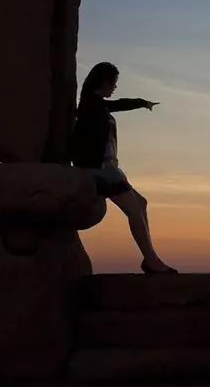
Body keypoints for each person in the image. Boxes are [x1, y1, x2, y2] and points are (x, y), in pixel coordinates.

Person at [70, 62, 177, 274]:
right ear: (103, 81)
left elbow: (119, 104)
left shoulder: (98, 104)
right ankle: (152, 260)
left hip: (109, 169)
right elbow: (77, 139)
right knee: (134, 209)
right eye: (114, 82)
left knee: (141, 203)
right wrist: (84, 166)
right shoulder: (88, 107)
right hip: (99, 170)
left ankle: (150, 259)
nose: (115, 87)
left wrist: (142, 102)